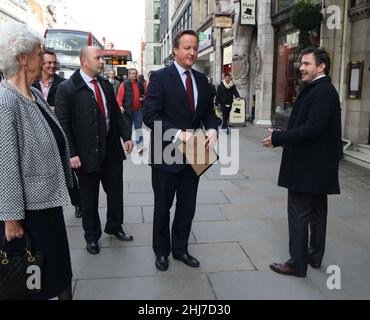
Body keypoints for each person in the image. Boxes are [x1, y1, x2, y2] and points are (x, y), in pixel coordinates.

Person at [0, 22, 73, 300]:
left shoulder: (33, 95)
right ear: (22, 58)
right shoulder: (6, 100)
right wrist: (11, 219)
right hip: (28, 213)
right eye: (37, 53)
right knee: (33, 281)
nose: (42, 59)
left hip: (47, 205)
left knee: (59, 272)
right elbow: (5, 165)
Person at [262, 47, 343, 278]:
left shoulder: (323, 91)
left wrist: (279, 138)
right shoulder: (319, 89)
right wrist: (282, 131)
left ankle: (297, 263)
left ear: (321, 66)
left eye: (307, 64)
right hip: (317, 167)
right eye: (302, 63)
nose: (301, 67)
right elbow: (309, 124)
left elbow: (312, 128)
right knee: (317, 213)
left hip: (308, 167)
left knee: (299, 213)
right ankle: (314, 256)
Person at [143, 29, 218, 271]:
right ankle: (161, 251)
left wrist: (212, 129)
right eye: (187, 47)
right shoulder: (159, 77)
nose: (192, 52)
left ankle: (181, 249)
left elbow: (208, 112)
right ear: (175, 49)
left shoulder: (201, 80)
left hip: (195, 153)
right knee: (162, 207)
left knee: (187, 205)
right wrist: (177, 133)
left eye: (195, 47)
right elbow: (149, 116)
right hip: (166, 153)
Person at [55, 46, 134, 255]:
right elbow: (63, 124)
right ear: (84, 61)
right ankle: (92, 236)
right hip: (85, 154)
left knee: (115, 192)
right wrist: (71, 153)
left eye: (102, 57)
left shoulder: (106, 85)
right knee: (89, 198)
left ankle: (115, 226)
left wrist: (126, 136)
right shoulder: (68, 88)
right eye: (97, 58)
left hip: (110, 150)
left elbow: (116, 114)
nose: (102, 61)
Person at [32, 50, 83, 219]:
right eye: (48, 63)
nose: (52, 65)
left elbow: (70, 111)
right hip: (38, 135)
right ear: (41, 64)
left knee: (68, 170)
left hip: (59, 133)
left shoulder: (63, 84)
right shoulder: (32, 84)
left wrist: (55, 110)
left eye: (54, 63)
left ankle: (78, 203)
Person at [117, 68, 145, 152]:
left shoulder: (140, 84)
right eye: (132, 73)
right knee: (127, 129)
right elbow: (119, 97)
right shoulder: (124, 84)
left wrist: (142, 98)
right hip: (127, 111)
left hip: (138, 111)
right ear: (128, 75)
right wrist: (120, 106)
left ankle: (140, 146)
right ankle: (129, 145)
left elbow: (144, 94)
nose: (134, 75)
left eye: (135, 73)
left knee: (138, 128)